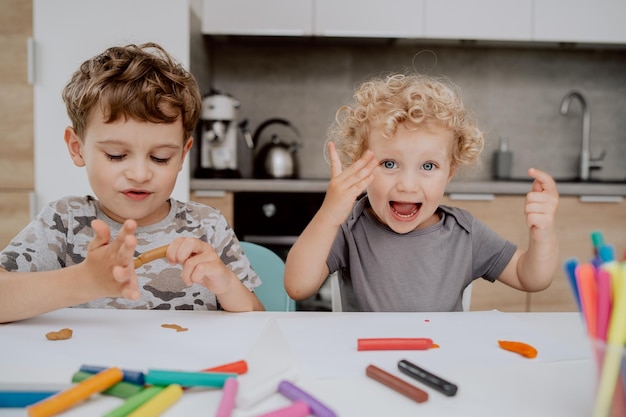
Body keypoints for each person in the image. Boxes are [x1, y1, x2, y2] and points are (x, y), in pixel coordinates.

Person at [0, 43, 264, 323]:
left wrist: (226, 285)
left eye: (160, 158)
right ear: (77, 148)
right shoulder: (62, 223)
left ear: (183, 154)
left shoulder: (207, 225)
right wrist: (81, 281)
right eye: (116, 155)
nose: (140, 174)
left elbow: (258, 321)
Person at [284, 72, 559, 312]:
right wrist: (329, 215)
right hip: (367, 362)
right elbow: (297, 287)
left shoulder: (465, 233)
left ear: (449, 172)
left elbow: (530, 278)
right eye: (389, 163)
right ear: (360, 165)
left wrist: (543, 234)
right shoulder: (350, 229)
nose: (408, 185)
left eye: (428, 166)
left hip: (441, 361)